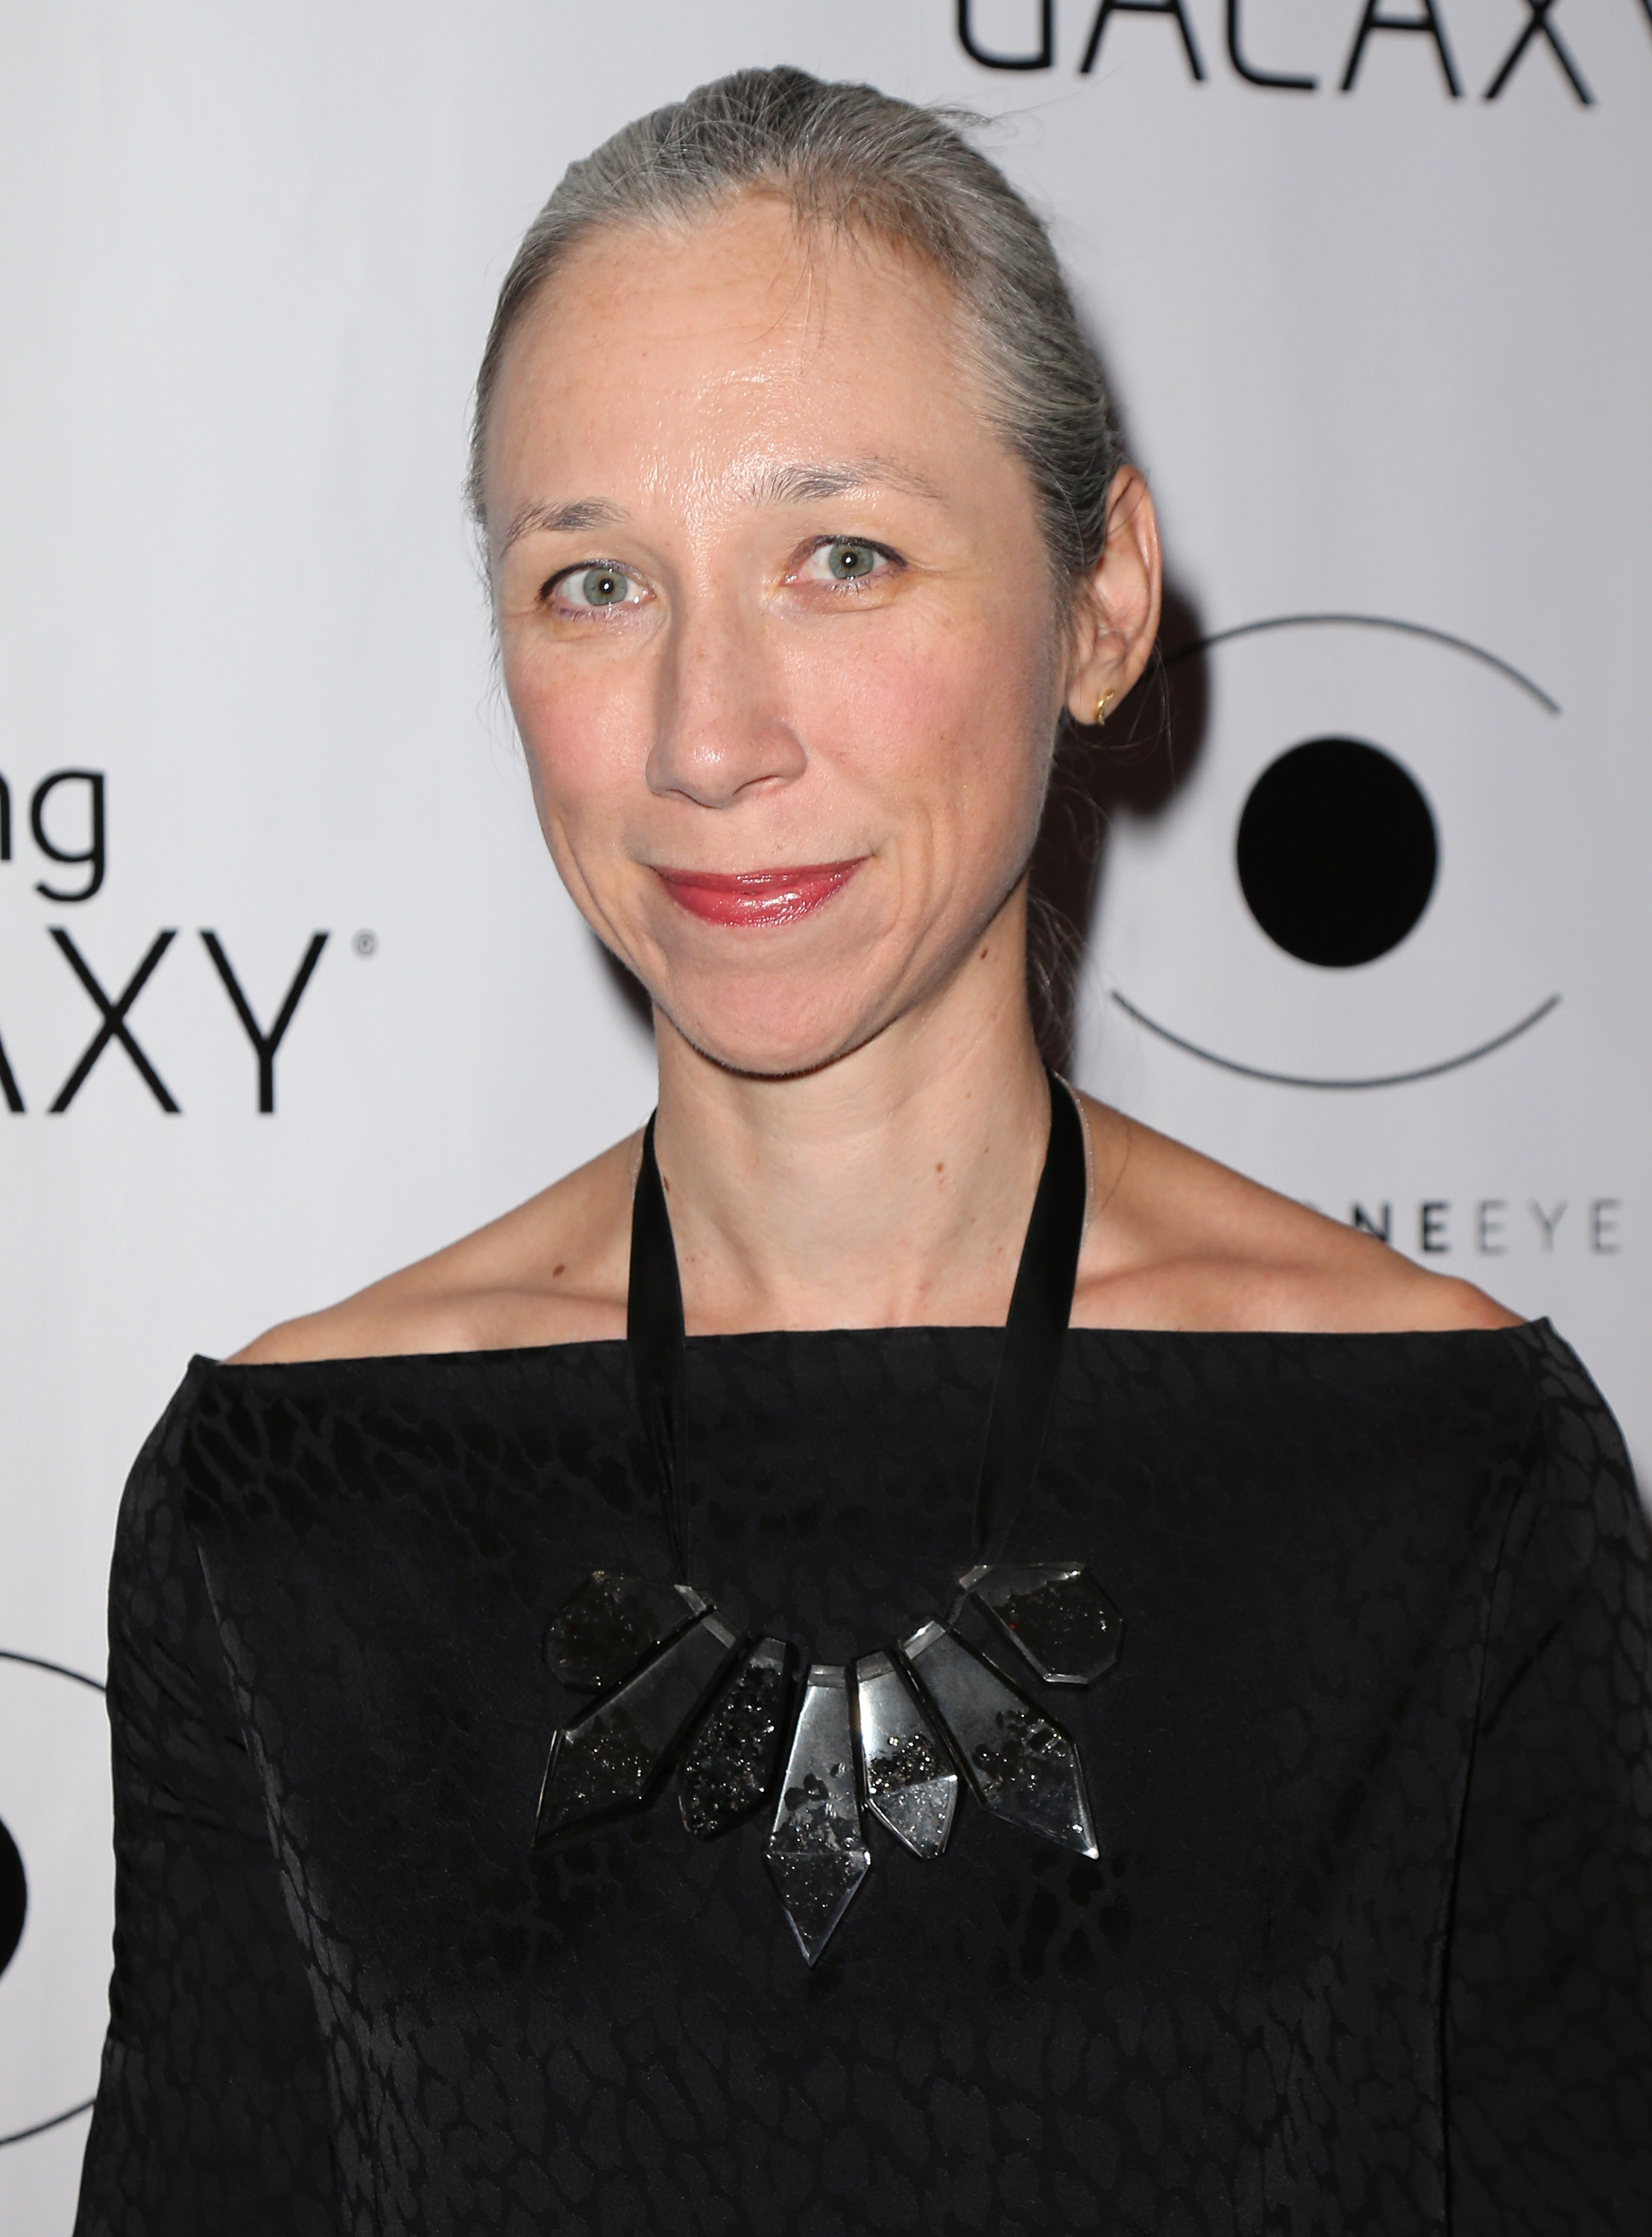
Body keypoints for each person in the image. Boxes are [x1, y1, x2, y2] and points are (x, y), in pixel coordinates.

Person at [75, 66, 1648, 2237]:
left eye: (842, 557)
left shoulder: (1441, 1466)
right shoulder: (287, 1506)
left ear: (1102, 600)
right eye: (596, 582)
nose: (710, 736)